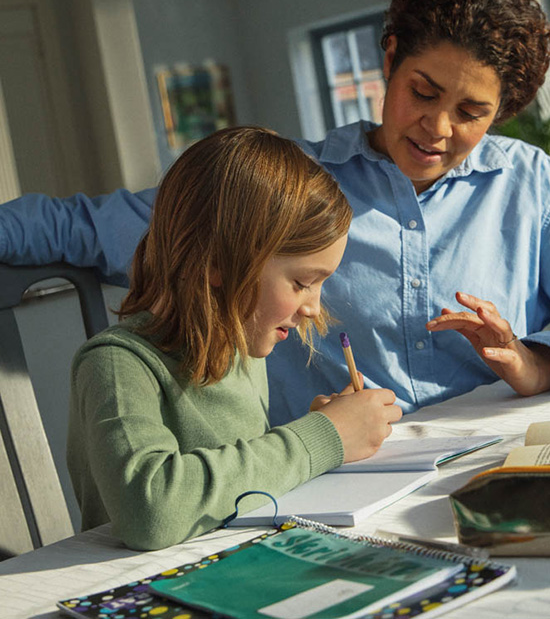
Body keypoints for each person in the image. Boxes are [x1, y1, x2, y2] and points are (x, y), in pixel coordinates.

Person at [0, 0, 550, 427]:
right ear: (390, 57)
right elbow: (82, 227)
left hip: (499, 461)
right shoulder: (281, 189)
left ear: (501, 112)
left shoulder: (531, 185)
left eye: (472, 111)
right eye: (423, 91)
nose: (438, 128)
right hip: (326, 482)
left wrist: (540, 360)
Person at [67, 126, 402, 550]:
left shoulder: (240, 351)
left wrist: (327, 434)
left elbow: (236, 486)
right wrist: (319, 440)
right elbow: (150, 512)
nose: (314, 308)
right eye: (301, 282)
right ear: (218, 264)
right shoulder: (118, 364)